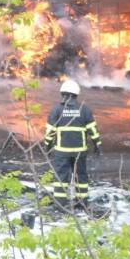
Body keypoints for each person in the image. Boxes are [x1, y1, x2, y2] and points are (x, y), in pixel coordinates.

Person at [43, 79, 101, 210]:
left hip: (61, 151)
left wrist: (47, 145)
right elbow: (93, 129)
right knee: (80, 175)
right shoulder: (84, 109)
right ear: (76, 94)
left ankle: (60, 203)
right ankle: (82, 202)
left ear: (62, 93)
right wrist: (97, 143)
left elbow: (50, 131)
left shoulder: (57, 110)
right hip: (80, 151)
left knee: (61, 176)